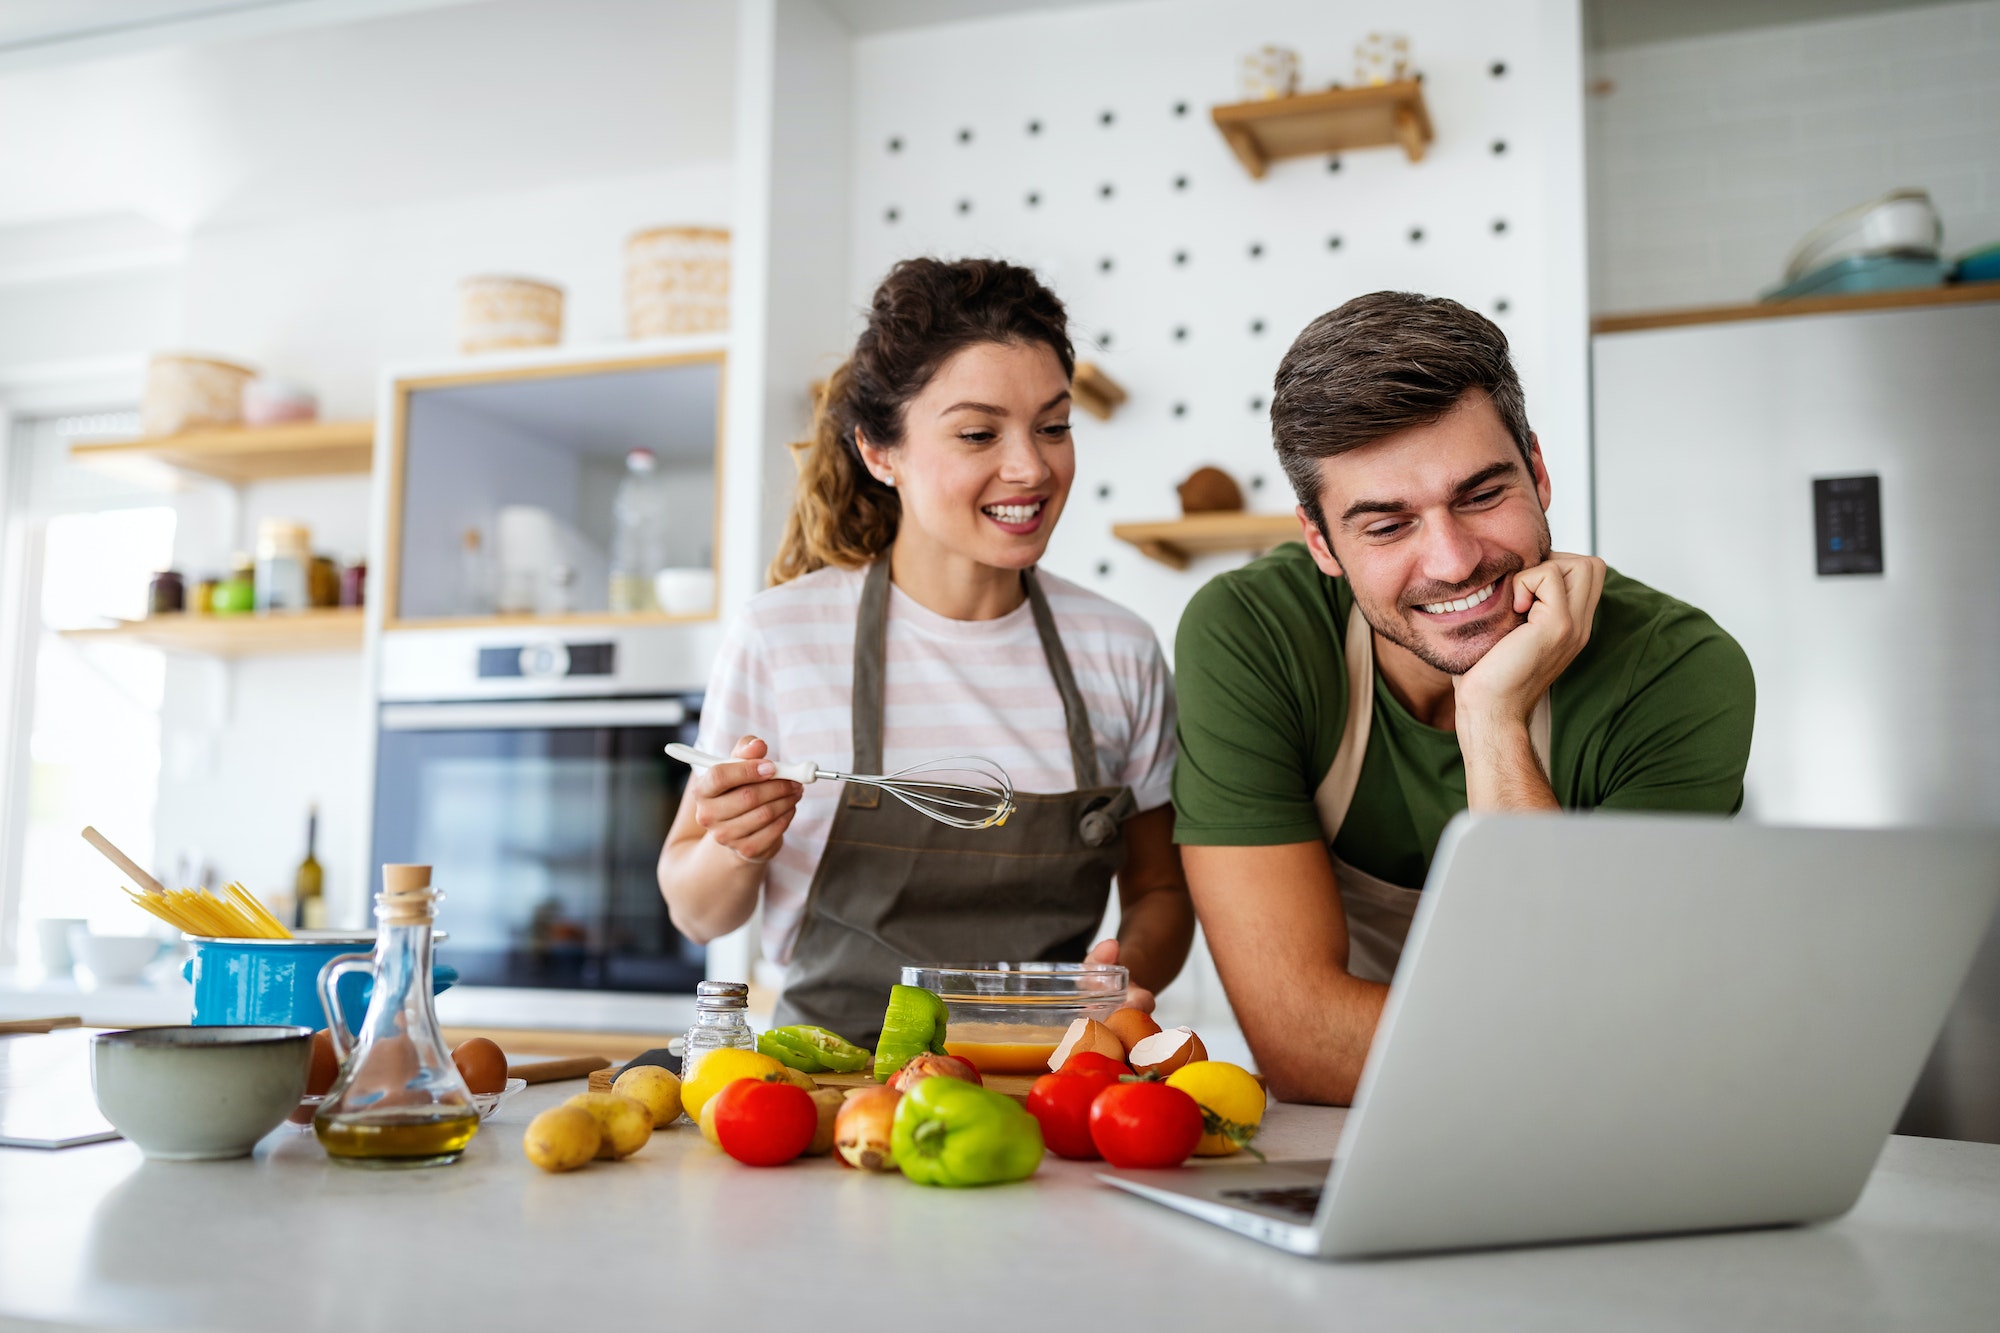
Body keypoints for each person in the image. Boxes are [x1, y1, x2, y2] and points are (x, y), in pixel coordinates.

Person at [1172, 291, 1754, 1105]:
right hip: (1361, 1131)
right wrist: (1544, 1039)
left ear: (1538, 472)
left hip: (1623, 1124)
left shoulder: (1675, 669)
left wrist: (1491, 715)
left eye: (1482, 496)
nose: (1451, 561)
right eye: (1386, 525)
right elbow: (1299, 1040)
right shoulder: (1253, 634)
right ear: (1321, 543)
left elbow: (1607, 1031)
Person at [658, 257, 1192, 1043]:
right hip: (830, 1091)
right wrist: (736, 845)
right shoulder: (783, 637)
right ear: (881, 452)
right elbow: (696, 909)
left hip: (1046, 1080)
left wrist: (1125, 972)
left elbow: (1160, 889)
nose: (1032, 467)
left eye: (1053, 425)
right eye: (979, 433)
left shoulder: (1119, 650)